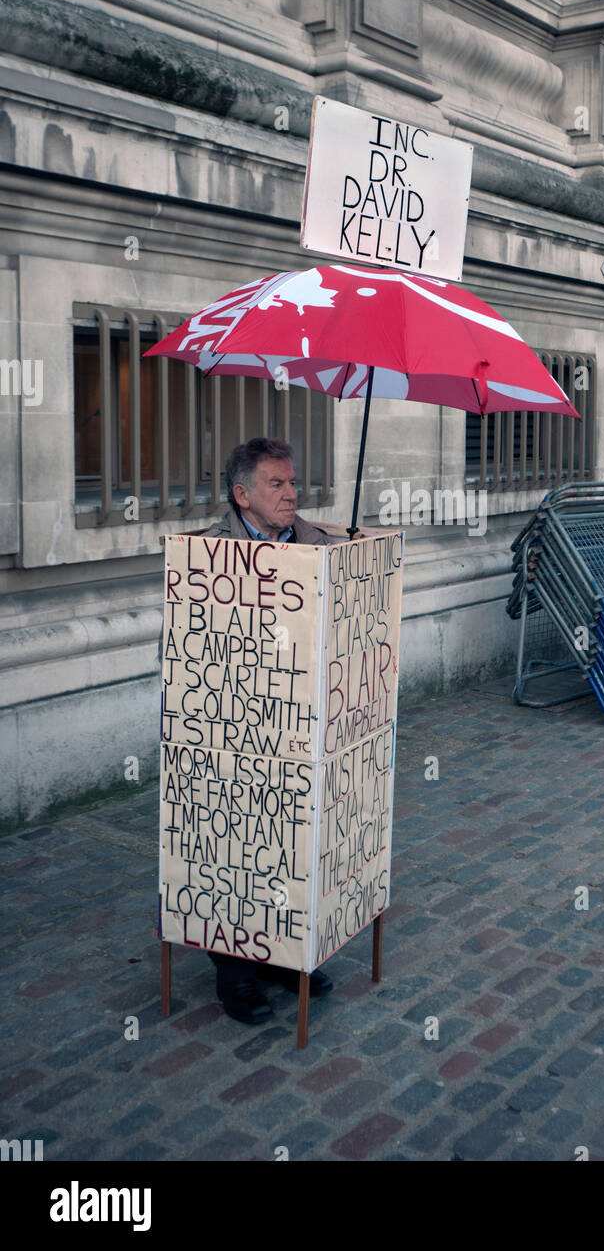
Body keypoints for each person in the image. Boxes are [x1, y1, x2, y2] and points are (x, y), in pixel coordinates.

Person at [203, 437, 345, 1023]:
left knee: (292, 843)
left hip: (302, 726)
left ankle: (283, 954)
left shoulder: (323, 545)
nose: (292, 494)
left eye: (293, 483)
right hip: (232, 730)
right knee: (234, 847)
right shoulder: (205, 553)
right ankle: (234, 975)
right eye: (276, 485)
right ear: (242, 495)